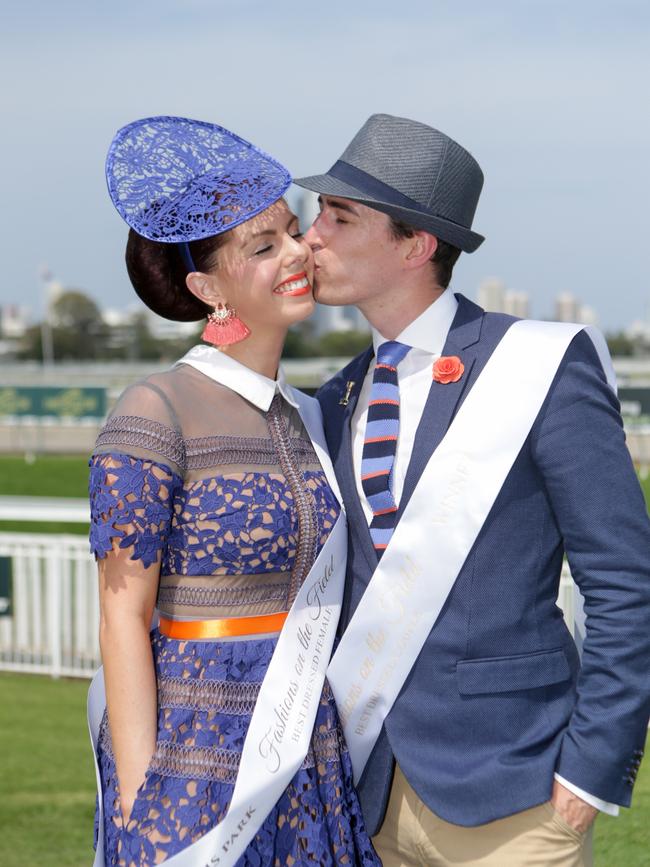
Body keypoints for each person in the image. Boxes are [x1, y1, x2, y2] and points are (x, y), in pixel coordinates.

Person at [296, 113, 650, 867]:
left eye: (339, 215)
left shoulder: (540, 366)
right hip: (368, 790)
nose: (311, 234)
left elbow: (623, 579)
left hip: (514, 794)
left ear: (415, 245)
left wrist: (594, 766)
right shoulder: (334, 396)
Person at [88, 116, 380, 866]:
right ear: (205, 286)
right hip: (196, 756)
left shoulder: (312, 416)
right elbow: (123, 615)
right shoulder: (153, 411)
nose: (297, 253)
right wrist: (136, 803)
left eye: (290, 231)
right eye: (263, 245)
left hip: (306, 749)